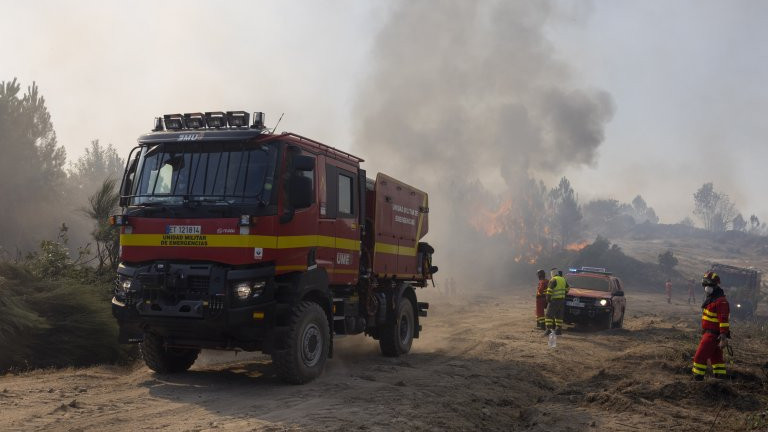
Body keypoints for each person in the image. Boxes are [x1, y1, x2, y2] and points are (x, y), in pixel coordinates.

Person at [692, 271, 731, 380]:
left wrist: (723, 338)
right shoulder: (712, 299)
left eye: (709, 285)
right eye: (705, 285)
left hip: (713, 336)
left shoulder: (721, 302)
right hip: (710, 334)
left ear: (715, 285)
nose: (706, 287)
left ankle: (697, 380)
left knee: (699, 357)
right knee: (717, 360)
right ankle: (720, 380)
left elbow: (723, 321)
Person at [545, 267, 569, 335]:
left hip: (554, 300)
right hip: (562, 300)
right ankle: (558, 330)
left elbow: (549, 290)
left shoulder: (553, 279)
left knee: (548, 315)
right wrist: (564, 293)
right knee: (559, 316)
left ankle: (548, 330)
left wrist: (548, 299)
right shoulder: (563, 279)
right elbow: (568, 288)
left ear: (552, 273)